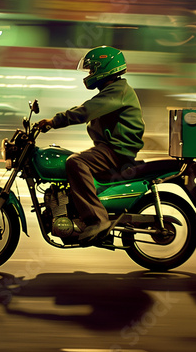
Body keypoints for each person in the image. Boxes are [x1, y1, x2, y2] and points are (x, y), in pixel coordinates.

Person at [38, 45, 145, 243]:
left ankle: (97, 219)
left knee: (75, 162)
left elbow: (86, 111)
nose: (89, 74)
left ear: (104, 68)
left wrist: (54, 121)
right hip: (110, 148)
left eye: (91, 70)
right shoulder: (113, 91)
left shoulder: (117, 91)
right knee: (71, 161)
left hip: (117, 150)